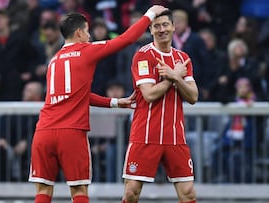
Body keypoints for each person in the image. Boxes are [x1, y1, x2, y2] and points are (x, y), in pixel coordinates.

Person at [28, 5, 168, 203]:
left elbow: (75, 95)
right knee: (78, 191)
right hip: (71, 132)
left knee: (43, 190)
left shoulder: (53, 60)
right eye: (87, 31)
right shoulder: (86, 50)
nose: (89, 35)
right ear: (79, 32)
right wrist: (150, 14)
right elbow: (126, 39)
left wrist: (114, 103)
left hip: (43, 131)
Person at [121, 10, 198, 203]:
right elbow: (149, 95)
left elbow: (193, 96)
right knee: (131, 192)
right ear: (150, 29)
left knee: (188, 193)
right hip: (145, 134)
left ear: (173, 26)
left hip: (175, 136)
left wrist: (174, 76)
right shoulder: (143, 56)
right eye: (157, 26)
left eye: (165, 25)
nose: (162, 29)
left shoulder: (183, 58)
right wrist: (174, 78)